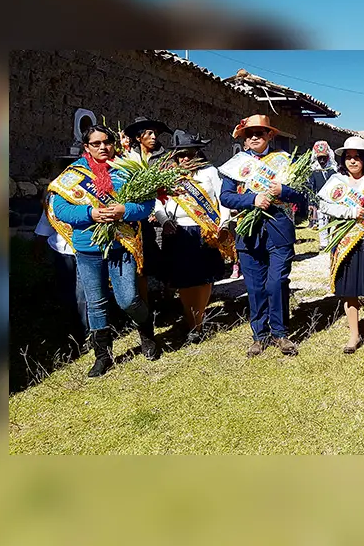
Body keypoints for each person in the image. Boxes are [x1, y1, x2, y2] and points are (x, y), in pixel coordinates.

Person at [47, 125, 159, 377]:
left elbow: (146, 204)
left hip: (121, 245)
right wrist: (90, 214)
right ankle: (102, 355)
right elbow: (61, 210)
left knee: (128, 299)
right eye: (95, 143)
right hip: (88, 248)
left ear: (113, 143)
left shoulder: (127, 169)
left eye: (107, 142)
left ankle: (147, 333)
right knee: (96, 303)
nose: (102, 147)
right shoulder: (72, 175)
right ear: (86, 147)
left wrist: (125, 211)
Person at [219, 114, 308, 357]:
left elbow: (303, 196)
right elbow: (225, 197)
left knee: (277, 282)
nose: (255, 136)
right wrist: (252, 199)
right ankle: (260, 335)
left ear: (270, 135)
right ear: (244, 139)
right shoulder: (235, 165)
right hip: (249, 235)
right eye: (250, 134)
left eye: (260, 132)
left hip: (279, 231)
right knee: (255, 287)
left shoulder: (285, 161)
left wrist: (284, 191)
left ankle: (280, 333)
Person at [154, 130, 233, 345]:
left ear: (198, 152)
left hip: (203, 230)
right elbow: (158, 203)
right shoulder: (168, 175)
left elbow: (222, 199)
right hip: (176, 231)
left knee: (202, 278)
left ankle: (197, 322)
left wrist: (223, 224)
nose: (185, 158)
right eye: (180, 155)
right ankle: (191, 319)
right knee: (183, 280)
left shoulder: (209, 173)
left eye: (189, 153)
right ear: (175, 156)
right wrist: (164, 221)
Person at [318, 135, 364, 353]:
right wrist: (349, 211)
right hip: (346, 241)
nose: (353, 161)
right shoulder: (336, 182)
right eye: (348, 157)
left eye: (357, 157)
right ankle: (354, 334)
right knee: (350, 290)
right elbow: (324, 206)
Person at [123, 116, 173, 305]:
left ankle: (167, 300)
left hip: (162, 216)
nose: (154, 137)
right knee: (140, 262)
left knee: (164, 260)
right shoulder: (128, 158)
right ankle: (144, 303)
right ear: (138, 137)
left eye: (155, 133)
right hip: (136, 218)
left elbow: (171, 187)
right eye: (149, 133)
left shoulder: (165, 158)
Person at [33, 201, 88, 352]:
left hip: (86, 250)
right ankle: (68, 333)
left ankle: (86, 336)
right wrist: (39, 246)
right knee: (66, 294)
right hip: (60, 251)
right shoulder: (58, 192)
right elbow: (47, 219)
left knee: (83, 296)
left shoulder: (88, 189)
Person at [307, 140, 338, 248]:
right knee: (322, 220)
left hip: (333, 200)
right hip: (320, 201)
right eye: (320, 158)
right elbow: (311, 187)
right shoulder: (314, 171)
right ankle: (324, 243)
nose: (322, 160)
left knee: (333, 220)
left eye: (324, 157)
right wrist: (311, 202)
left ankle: (333, 240)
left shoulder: (333, 170)